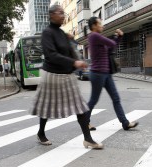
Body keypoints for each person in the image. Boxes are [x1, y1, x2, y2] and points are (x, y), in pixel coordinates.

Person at [30, 5, 103, 149]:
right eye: (60, 13)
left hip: (67, 75)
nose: (63, 16)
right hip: (51, 76)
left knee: (80, 106)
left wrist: (75, 54)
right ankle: (40, 133)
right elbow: (52, 55)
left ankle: (87, 139)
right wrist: (74, 62)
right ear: (51, 15)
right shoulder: (47, 33)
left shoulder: (62, 33)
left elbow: (69, 50)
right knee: (46, 107)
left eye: (64, 13)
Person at [86, 17, 138, 131]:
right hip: (97, 74)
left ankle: (125, 123)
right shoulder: (94, 36)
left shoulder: (98, 38)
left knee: (116, 98)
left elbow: (111, 47)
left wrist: (118, 37)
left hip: (106, 74)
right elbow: (111, 43)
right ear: (94, 26)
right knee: (93, 100)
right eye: (100, 24)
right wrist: (118, 36)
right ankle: (85, 121)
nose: (102, 26)